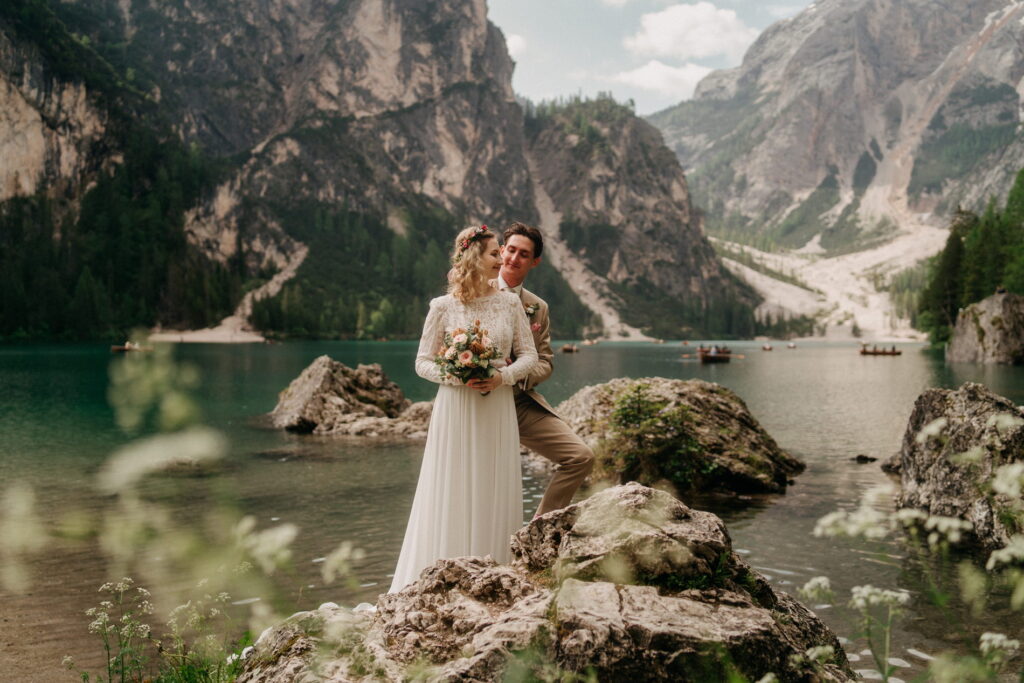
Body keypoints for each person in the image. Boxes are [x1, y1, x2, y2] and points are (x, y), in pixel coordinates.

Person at [389, 226, 539, 593]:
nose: (502, 259)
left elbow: (530, 356)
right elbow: (422, 363)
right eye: (494, 253)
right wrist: (459, 375)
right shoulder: (442, 307)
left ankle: (494, 573)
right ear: (474, 258)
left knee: (492, 479)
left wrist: (501, 377)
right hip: (456, 407)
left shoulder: (509, 303)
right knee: (453, 483)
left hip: (496, 405)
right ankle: (441, 573)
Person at [495, 222, 595, 519]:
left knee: (580, 457)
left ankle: (538, 529)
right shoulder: (474, 291)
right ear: (501, 251)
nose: (514, 258)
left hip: (518, 401)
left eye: (523, 254)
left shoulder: (537, 308)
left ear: (534, 262)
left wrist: (518, 372)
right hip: (477, 400)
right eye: (510, 250)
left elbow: (545, 361)